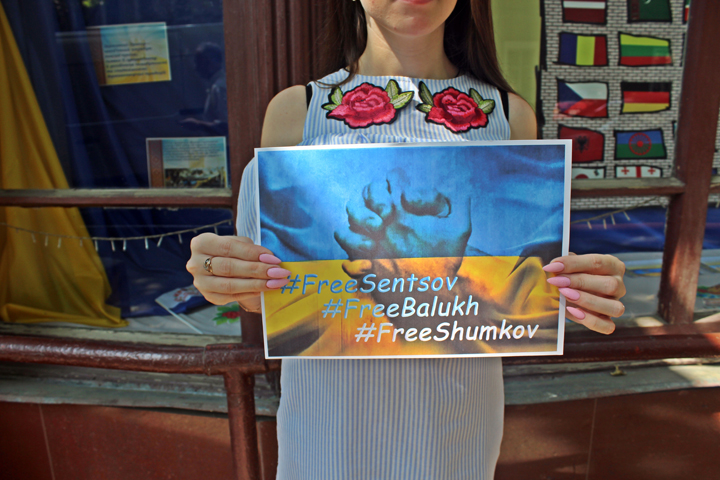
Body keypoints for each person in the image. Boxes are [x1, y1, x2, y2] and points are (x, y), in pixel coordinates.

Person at [187, 0, 626, 478]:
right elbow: (270, 291)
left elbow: (514, 297)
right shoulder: (297, 111)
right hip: (326, 428)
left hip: (456, 425)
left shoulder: (508, 115)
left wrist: (570, 287)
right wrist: (227, 277)